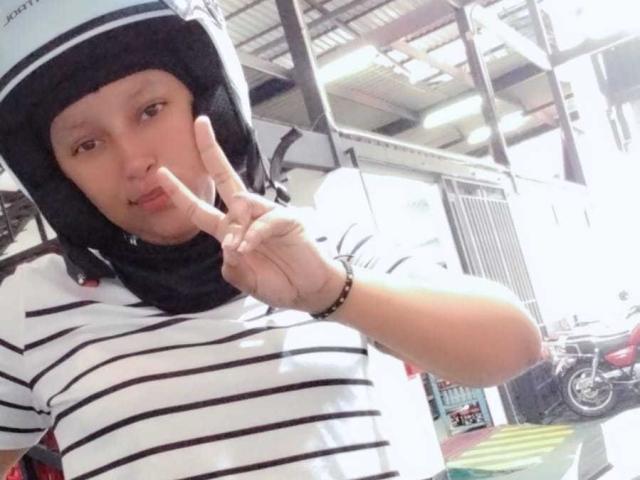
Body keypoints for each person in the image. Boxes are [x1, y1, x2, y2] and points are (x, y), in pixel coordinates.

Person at [0, 1, 542, 478]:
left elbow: (513, 346)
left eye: (150, 110)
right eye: (87, 144)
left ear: (209, 106)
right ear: (59, 178)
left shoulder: (323, 242)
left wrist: (332, 291)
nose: (133, 160)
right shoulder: (33, 304)